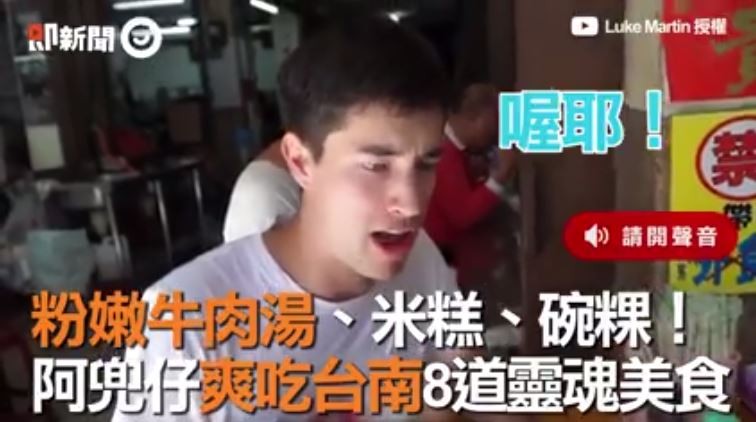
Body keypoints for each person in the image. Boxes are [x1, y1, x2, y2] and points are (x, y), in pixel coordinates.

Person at [113, 17, 477, 421]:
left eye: (426, 164)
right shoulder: (183, 323)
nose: (409, 205)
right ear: (301, 162)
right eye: (376, 166)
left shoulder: (420, 259)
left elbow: (458, 386)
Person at [423, 83, 517, 272]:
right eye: (494, 127)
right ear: (476, 119)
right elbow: (462, 215)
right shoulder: (444, 153)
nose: (495, 136)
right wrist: (498, 178)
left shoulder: (447, 144)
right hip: (437, 254)